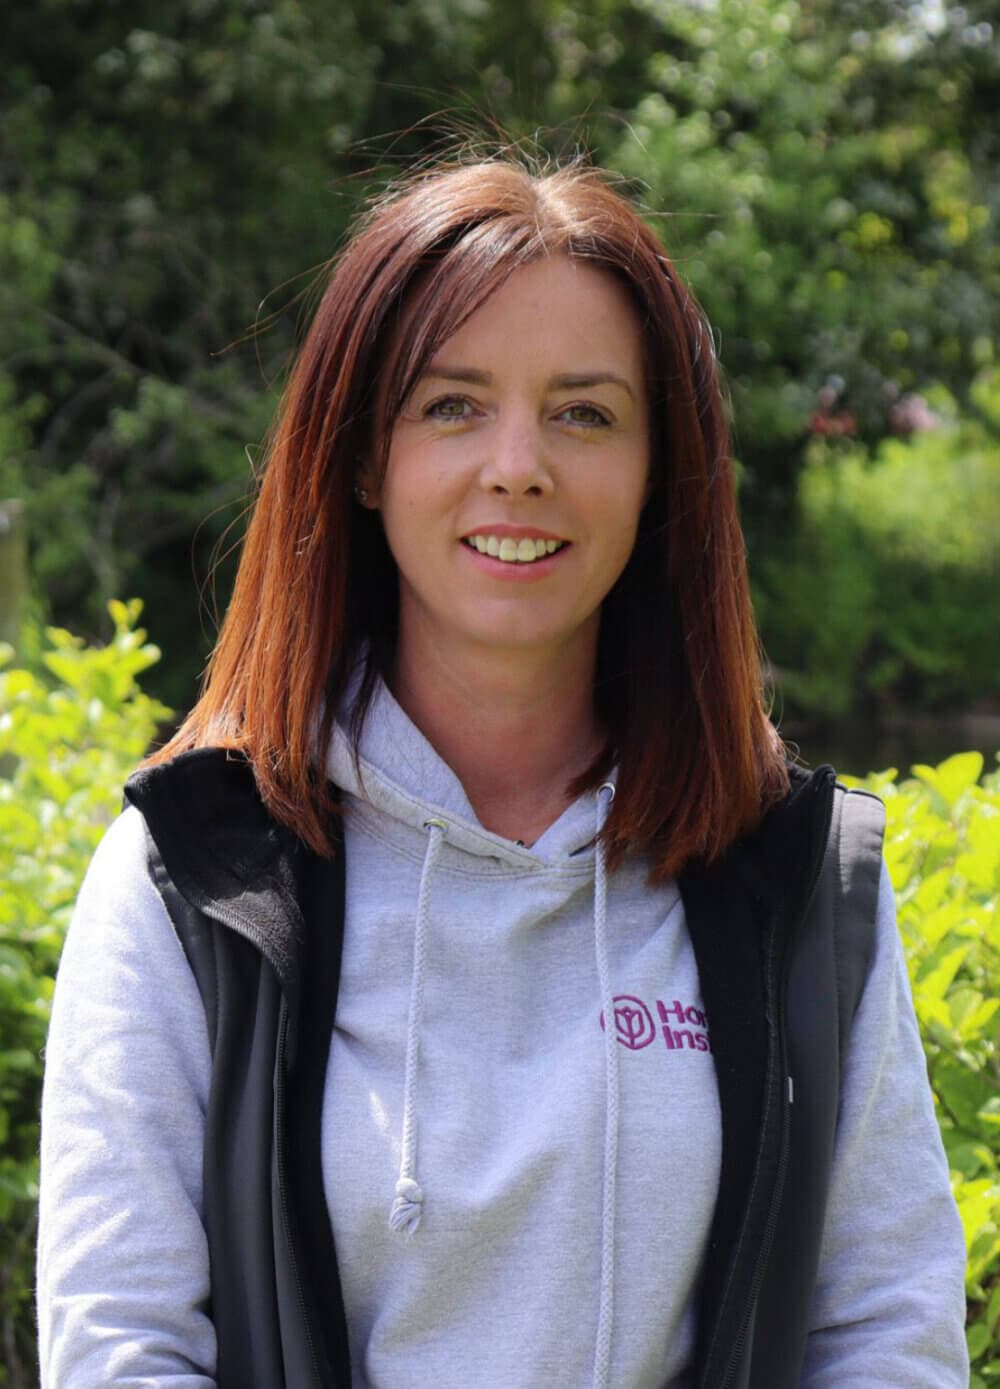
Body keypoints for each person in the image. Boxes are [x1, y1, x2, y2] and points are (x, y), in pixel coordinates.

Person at [36, 155, 968, 1388]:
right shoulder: (194, 876)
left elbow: (886, 1333)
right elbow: (123, 1348)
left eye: (585, 413)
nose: (519, 464)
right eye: (451, 405)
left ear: (659, 469)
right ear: (361, 458)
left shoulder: (793, 876)